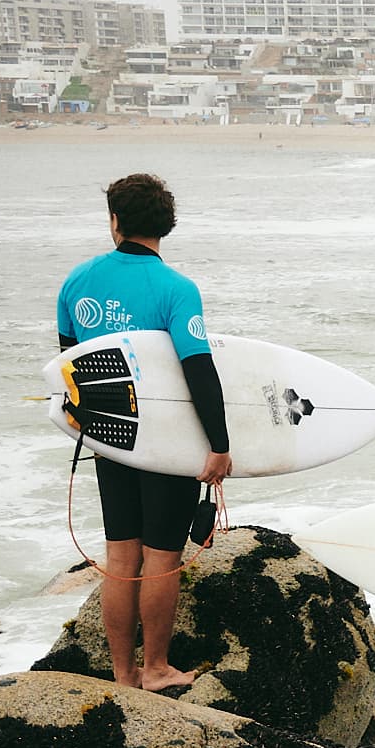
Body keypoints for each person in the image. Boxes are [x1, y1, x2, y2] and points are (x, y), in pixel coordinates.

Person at [56, 173, 231, 692]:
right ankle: (155, 668)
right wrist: (218, 445)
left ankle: (122, 673)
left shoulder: (77, 282)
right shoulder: (176, 288)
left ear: (115, 221)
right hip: (167, 443)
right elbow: (199, 369)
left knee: (120, 557)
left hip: (111, 439)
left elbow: (71, 367)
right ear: (166, 226)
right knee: (161, 559)